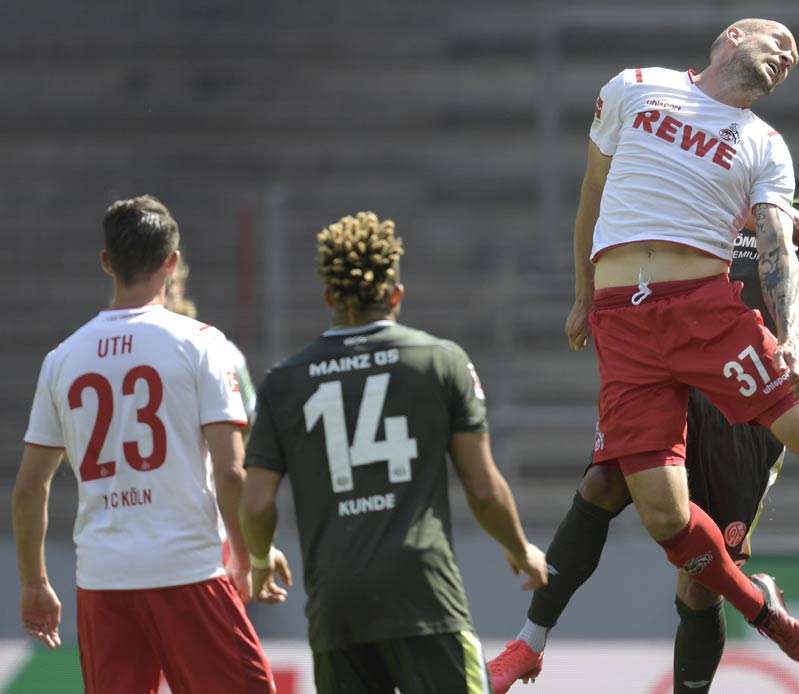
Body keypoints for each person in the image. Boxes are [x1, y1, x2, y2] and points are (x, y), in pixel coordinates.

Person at [490, 17, 799, 690]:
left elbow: (781, 232)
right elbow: (599, 195)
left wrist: (791, 332)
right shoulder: (649, 99)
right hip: (645, 335)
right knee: (606, 486)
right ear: (732, 34)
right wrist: (585, 291)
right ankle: (533, 639)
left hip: (734, 392)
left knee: (702, 584)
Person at [238, 211, 549, 694]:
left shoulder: (284, 383)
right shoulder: (440, 361)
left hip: (337, 607)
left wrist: (259, 559)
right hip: (423, 594)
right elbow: (484, 489)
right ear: (396, 296)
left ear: (328, 297)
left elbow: (256, 503)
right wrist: (518, 547)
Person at [13, 195, 275, 692]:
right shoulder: (201, 342)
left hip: (103, 581)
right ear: (171, 264)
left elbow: (30, 487)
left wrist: (34, 583)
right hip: (187, 571)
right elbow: (231, 471)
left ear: (106, 262)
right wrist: (248, 559)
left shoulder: (62, 358)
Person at [166, 254, 258, 423]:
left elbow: (250, 417)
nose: (159, 297)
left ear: (180, 285)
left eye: (168, 285)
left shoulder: (222, 351)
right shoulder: (121, 346)